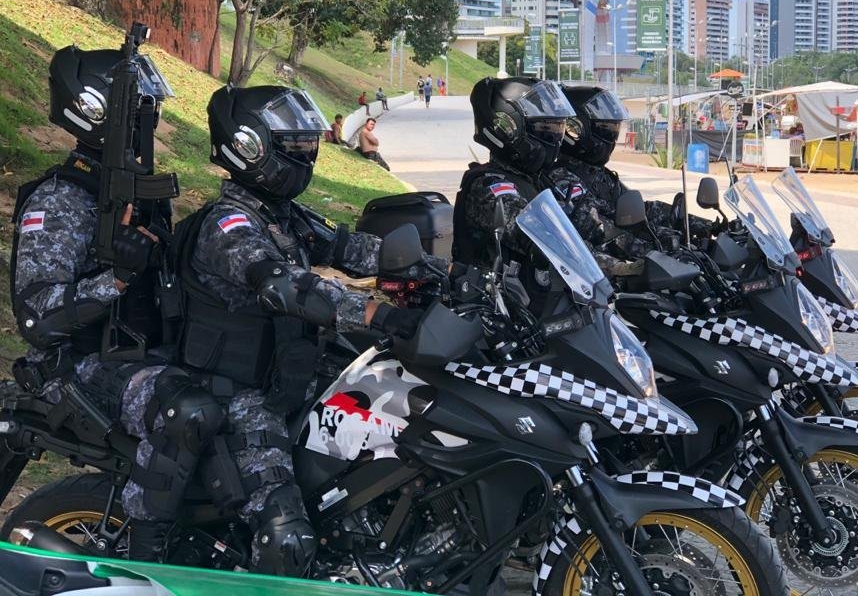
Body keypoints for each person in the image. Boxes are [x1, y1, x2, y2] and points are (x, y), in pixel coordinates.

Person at [178, 85, 421, 576]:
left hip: (292, 377)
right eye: (295, 146)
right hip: (240, 396)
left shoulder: (281, 215)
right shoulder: (228, 225)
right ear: (249, 148)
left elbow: (351, 248)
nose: (306, 155)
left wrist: (439, 271)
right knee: (286, 537)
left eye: (309, 144)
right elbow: (285, 286)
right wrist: (375, 313)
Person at [10, 39, 223, 561]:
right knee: (185, 409)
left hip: (142, 353)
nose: (150, 121)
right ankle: (147, 562)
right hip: (83, 364)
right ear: (94, 110)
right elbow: (38, 317)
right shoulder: (61, 200)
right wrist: (117, 278)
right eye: (139, 110)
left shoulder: (136, 193)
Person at [452, 77, 608, 308]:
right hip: (492, 313)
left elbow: (589, 225)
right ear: (507, 129)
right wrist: (612, 266)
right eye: (545, 128)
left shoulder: (541, 181)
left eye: (557, 128)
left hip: (537, 310)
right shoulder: (488, 187)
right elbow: (540, 238)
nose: (554, 138)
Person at [551, 85, 707, 256]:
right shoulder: (562, 179)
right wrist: (658, 246)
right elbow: (602, 232)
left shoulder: (596, 174)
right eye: (605, 130)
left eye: (614, 131)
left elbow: (640, 211)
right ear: (577, 130)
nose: (611, 138)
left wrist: (701, 225)